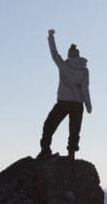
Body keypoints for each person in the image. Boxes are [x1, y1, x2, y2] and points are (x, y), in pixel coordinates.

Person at [39, 28, 92, 160]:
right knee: (74, 130)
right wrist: (88, 105)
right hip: (78, 104)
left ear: (69, 55)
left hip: (63, 102)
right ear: (78, 56)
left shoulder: (64, 66)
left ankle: (45, 150)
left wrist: (51, 36)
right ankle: (71, 155)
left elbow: (54, 53)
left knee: (49, 125)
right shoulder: (84, 70)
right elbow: (85, 89)